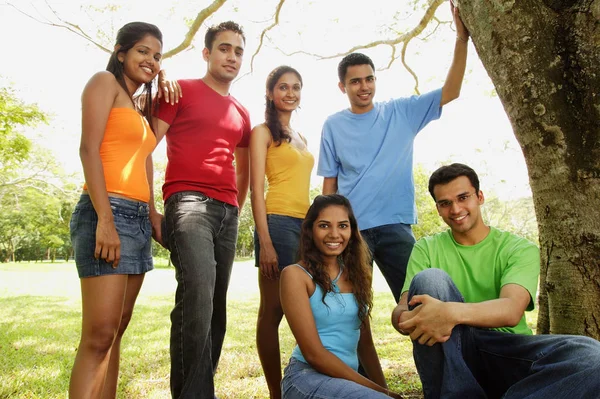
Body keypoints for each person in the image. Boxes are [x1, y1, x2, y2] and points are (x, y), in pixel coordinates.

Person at [391, 163, 600, 399]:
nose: (456, 208)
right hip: (452, 349)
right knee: (430, 280)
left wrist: (449, 312)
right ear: (438, 209)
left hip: (508, 348)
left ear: (479, 197)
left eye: (463, 197)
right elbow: (403, 306)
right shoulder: (426, 248)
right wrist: (403, 317)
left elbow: (511, 310)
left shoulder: (518, 249)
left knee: (592, 357)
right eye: (445, 203)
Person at [317, 2, 469, 302]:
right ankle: (355, 352)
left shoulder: (402, 112)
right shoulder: (333, 125)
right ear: (342, 86)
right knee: (347, 308)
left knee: (419, 303)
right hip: (353, 230)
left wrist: (461, 40)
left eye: (369, 78)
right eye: (355, 81)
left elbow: (451, 91)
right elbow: (329, 187)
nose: (364, 86)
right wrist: (325, 227)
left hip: (395, 227)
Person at [151, 21, 251, 399]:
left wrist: (236, 208)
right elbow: (144, 146)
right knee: (197, 296)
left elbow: (243, 165)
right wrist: (151, 211)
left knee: (216, 306)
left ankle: (197, 389)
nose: (232, 56)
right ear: (207, 53)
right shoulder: (181, 91)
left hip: (226, 213)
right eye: (224, 48)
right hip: (188, 201)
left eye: (238, 51)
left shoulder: (241, 112)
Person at [69, 21, 163, 398]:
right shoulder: (103, 83)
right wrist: (104, 220)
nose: (151, 61)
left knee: (116, 333)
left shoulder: (140, 108)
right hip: (107, 212)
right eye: (143, 51)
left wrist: (154, 215)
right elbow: (88, 149)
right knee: (99, 335)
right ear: (121, 52)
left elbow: (144, 160)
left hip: (137, 219)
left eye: (157, 56)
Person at [280, 194, 402, 399]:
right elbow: (314, 355)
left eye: (343, 226)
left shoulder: (357, 275)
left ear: (352, 231)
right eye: (324, 225)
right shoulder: (295, 275)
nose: (335, 234)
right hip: (306, 378)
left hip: (347, 382)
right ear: (310, 230)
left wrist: (386, 392)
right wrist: (380, 392)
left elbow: (365, 343)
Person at [249, 65, 314, 399]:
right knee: (273, 311)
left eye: (296, 87)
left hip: (307, 229)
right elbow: (255, 188)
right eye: (283, 87)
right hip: (278, 223)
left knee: (309, 307)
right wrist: (266, 242)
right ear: (271, 92)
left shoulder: (301, 137)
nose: (290, 93)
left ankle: (311, 378)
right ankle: (277, 392)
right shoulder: (262, 132)